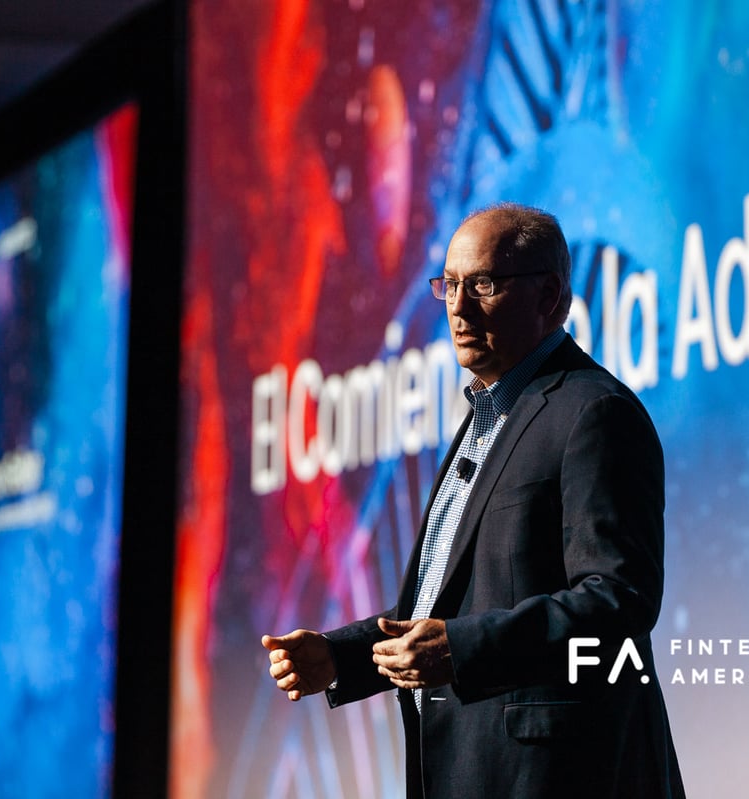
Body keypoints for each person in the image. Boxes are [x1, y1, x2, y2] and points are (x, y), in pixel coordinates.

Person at [262, 203, 685, 798]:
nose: (458, 308)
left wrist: (461, 650)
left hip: (556, 778)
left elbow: (618, 601)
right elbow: (443, 605)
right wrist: (341, 657)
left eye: (483, 285)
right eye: (449, 285)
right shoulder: (486, 420)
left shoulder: (594, 413)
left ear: (548, 296)